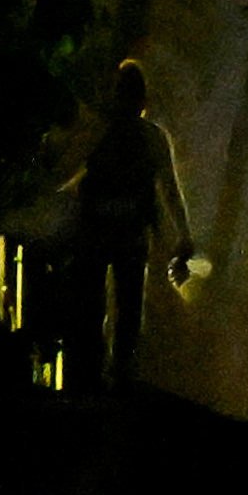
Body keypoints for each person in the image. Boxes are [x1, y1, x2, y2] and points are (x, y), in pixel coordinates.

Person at [76, 58, 194, 389]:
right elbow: (169, 190)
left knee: (97, 305)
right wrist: (182, 234)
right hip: (129, 234)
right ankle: (117, 377)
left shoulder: (99, 132)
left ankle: (93, 376)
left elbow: (70, 175)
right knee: (127, 309)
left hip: (100, 232)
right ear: (143, 100)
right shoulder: (150, 137)